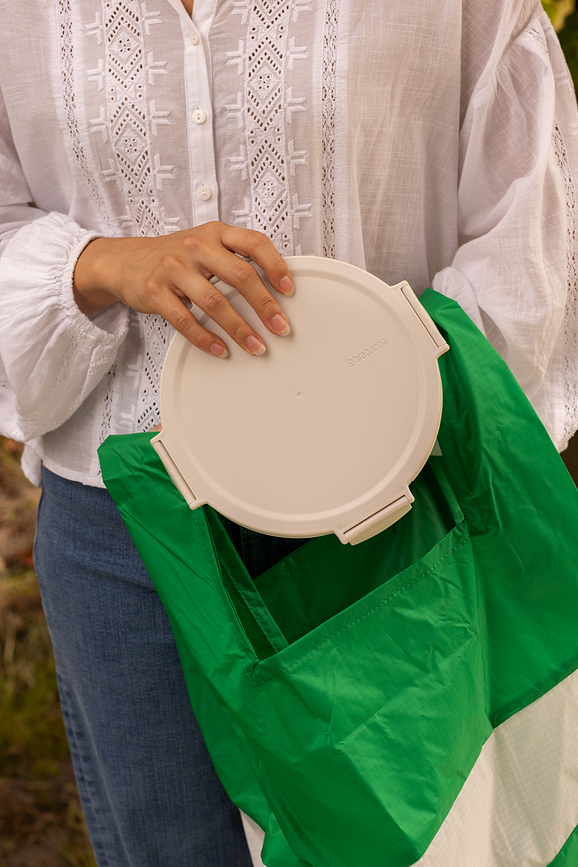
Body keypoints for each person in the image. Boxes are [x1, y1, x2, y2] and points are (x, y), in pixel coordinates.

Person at [0, 0, 577, 865]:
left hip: (398, 523)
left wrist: (383, 418)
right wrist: (100, 263)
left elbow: (531, 219)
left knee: (432, 846)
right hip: (126, 541)